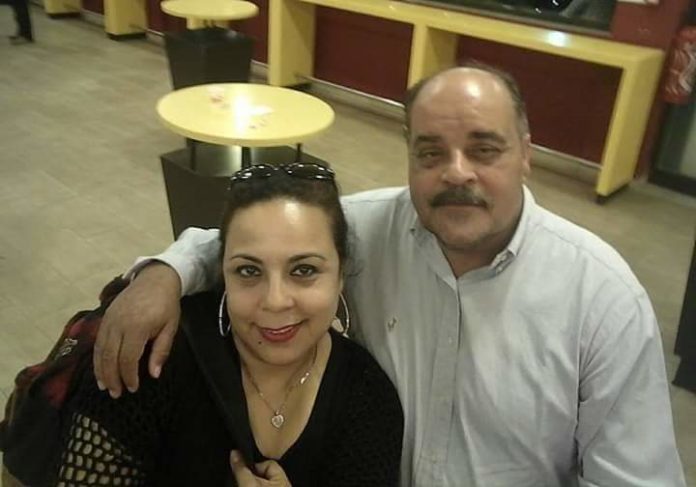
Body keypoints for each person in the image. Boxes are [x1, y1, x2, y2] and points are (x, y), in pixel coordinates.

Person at [92, 63, 686, 486]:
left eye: (485, 149)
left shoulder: (602, 300)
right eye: (430, 152)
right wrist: (165, 274)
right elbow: (256, 242)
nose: (457, 173)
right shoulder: (368, 229)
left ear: (526, 153)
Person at [53, 163, 404, 485]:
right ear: (222, 273)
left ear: (341, 276)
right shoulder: (155, 358)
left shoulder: (368, 399)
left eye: (304, 270)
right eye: (249, 271)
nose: (275, 300)